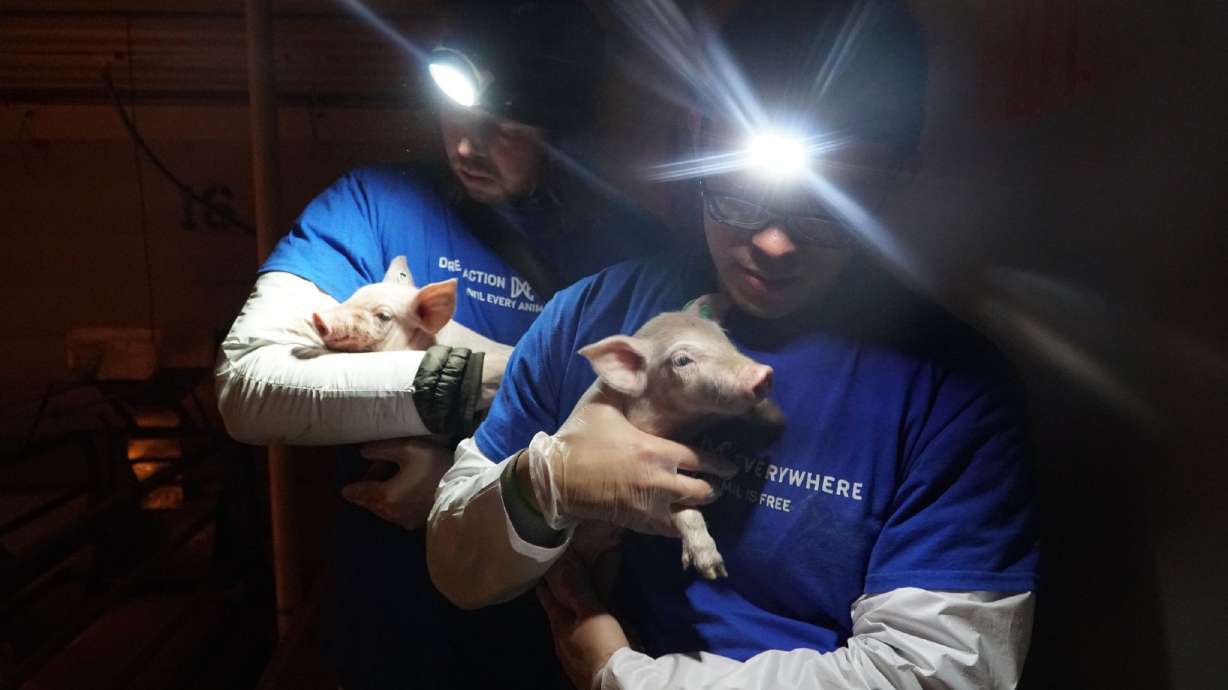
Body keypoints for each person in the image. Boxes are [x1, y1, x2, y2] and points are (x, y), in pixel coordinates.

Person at [426, 1, 1039, 688]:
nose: (775, 242)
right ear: (699, 139)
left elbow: (937, 674)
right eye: (744, 190)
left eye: (828, 202)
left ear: (895, 179)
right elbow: (456, 565)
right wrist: (544, 484)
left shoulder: (950, 396)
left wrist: (624, 677)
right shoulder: (594, 317)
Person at [213, 2, 674, 688]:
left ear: (564, 123)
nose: (466, 143)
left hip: (559, 640)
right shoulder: (375, 206)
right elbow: (248, 387)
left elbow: (658, 456)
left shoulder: (634, 254)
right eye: (456, 108)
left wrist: (459, 492)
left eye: (506, 126)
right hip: (392, 631)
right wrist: (478, 384)